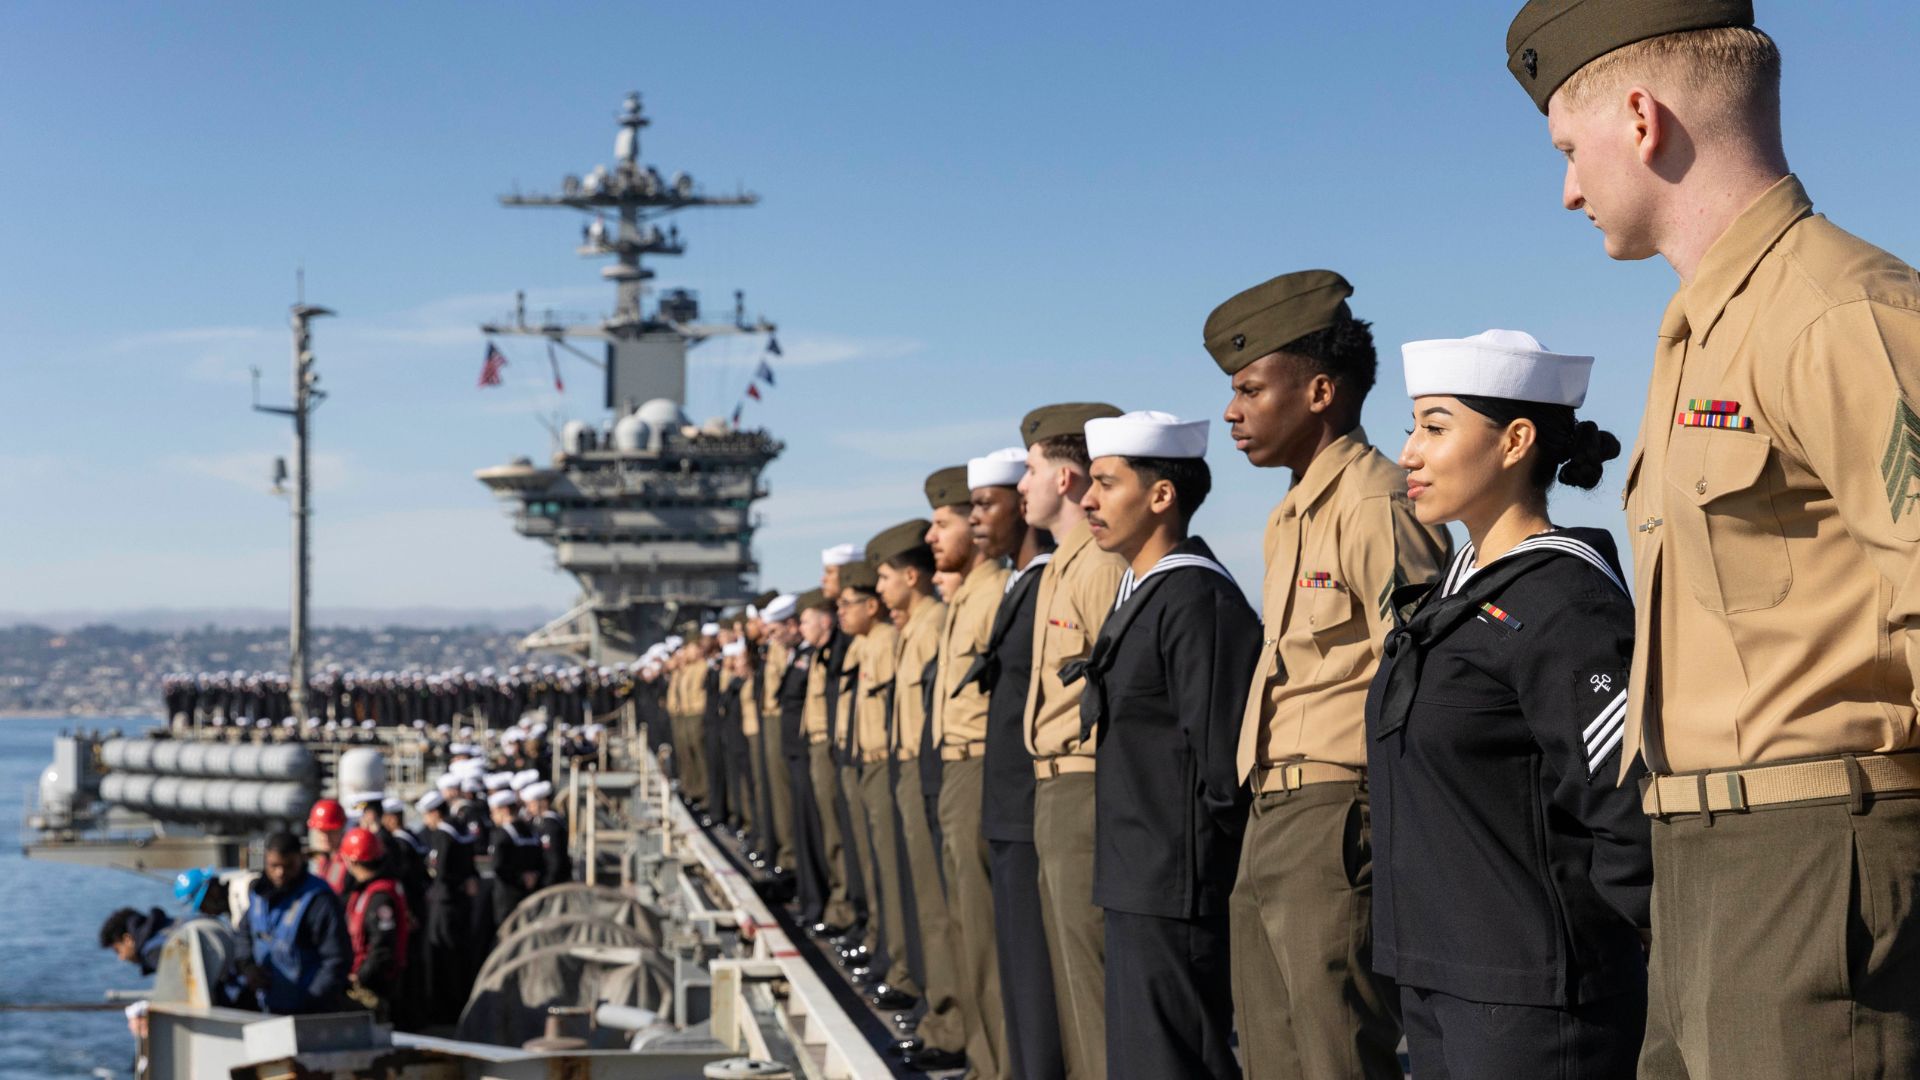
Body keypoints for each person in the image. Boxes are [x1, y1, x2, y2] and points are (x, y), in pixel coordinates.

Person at [1505, 4, 1920, 1075]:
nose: (1566, 191)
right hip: (1703, 860)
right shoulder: (1700, 332)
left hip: (1815, 862)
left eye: (1568, 150)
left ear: (1642, 120)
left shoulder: (1838, 312)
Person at [1365, 329, 1649, 1075]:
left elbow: (1622, 805)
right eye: (1412, 427)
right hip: (1439, 976)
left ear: (1516, 440)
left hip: (1534, 996)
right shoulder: (1455, 595)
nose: (1409, 453)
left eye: (1435, 428)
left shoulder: (1565, 601)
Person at [1207, 269, 1450, 1078]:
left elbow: (1423, 680)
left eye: (1249, 389)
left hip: (1339, 813)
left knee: (1334, 1051)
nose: (1233, 412)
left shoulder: (1377, 503)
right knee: (1273, 1053)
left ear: (1319, 392)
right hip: (1274, 806)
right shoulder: (1291, 514)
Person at [1073, 410, 1257, 1078]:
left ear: (1160, 496)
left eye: (1106, 483)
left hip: (1175, 880)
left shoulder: (1194, 597)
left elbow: (1220, 761)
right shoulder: (1145, 593)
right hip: (1138, 871)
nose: (1087, 501)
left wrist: (1198, 872)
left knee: (1176, 1060)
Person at [1016, 401, 1128, 1078]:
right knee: (1071, 975)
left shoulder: (1098, 566)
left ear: (1063, 479)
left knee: (1091, 979)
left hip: (1084, 782)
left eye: (1031, 469)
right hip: (1055, 782)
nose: (1021, 484)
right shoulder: (1062, 565)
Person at [965, 446, 1065, 1080]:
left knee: (1037, 974)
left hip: (1034, 801)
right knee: (1016, 967)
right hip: (1009, 801)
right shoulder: (1022, 584)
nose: (975, 518)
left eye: (986, 504)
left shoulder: (1052, 580)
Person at [872, 516, 968, 1072]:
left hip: (930, 769)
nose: (878, 589)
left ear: (911, 577)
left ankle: (948, 1024)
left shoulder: (932, 625)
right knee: (920, 901)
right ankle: (938, 1011)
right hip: (911, 766)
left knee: (937, 908)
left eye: (885, 577)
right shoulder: (916, 627)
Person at [927, 463, 1013, 1080]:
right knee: (965, 927)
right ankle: (984, 1060)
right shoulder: (966, 599)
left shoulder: (995, 595)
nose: (933, 537)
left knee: (985, 936)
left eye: (943, 522)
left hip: (981, 767)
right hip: (956, 767)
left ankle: (1000, 1065)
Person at [241, 831, 352, 1014]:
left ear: (301, 859)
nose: (280, 872)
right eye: (274, 866)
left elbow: (336, 958)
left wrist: (314, 998)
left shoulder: (319, 900)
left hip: (308, 1009)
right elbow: (244, 934)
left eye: (289, 866)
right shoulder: (259, 895)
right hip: (267, 1004)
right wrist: (248, 967)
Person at [417, 789, 478, 1024]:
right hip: (460, 901)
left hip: (444, 902)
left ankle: (445, 1009)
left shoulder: (443, 834)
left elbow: (438, 870)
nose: (426, 821)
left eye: (426, 815)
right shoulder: (461, 830)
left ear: (435, 813)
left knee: (443, 954)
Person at [339, 827, 410, 1023]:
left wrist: (361, 977)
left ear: (351, 861)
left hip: (375, 986)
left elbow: (383, 946)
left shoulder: (379, 896)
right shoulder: (368, 890)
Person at [486, 789, 541, 929]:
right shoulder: (531, 831)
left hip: (507, 897)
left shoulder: (501, 834)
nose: (492, 816)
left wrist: (519, 878)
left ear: (504, 810)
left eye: (494, 812)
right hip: (532, 894)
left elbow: (498, 866)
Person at [99, 906, 172, 975]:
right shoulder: (167, 924)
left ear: (127, 940)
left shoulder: (152, 953)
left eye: (118, 951)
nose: (121, 958)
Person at [524, 781, 570, 887]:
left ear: (543, 802)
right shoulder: (539, 821)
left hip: (553, 881)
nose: (528, 808)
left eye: (531, 804)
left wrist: (546, 882)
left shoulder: (550, 824)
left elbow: (553, 859)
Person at [307, 798, 348, 894]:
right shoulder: (315, 858)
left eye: (331, 832)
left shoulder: (348, 862)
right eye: (321, 831)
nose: (326, 837)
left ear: (342, 829)